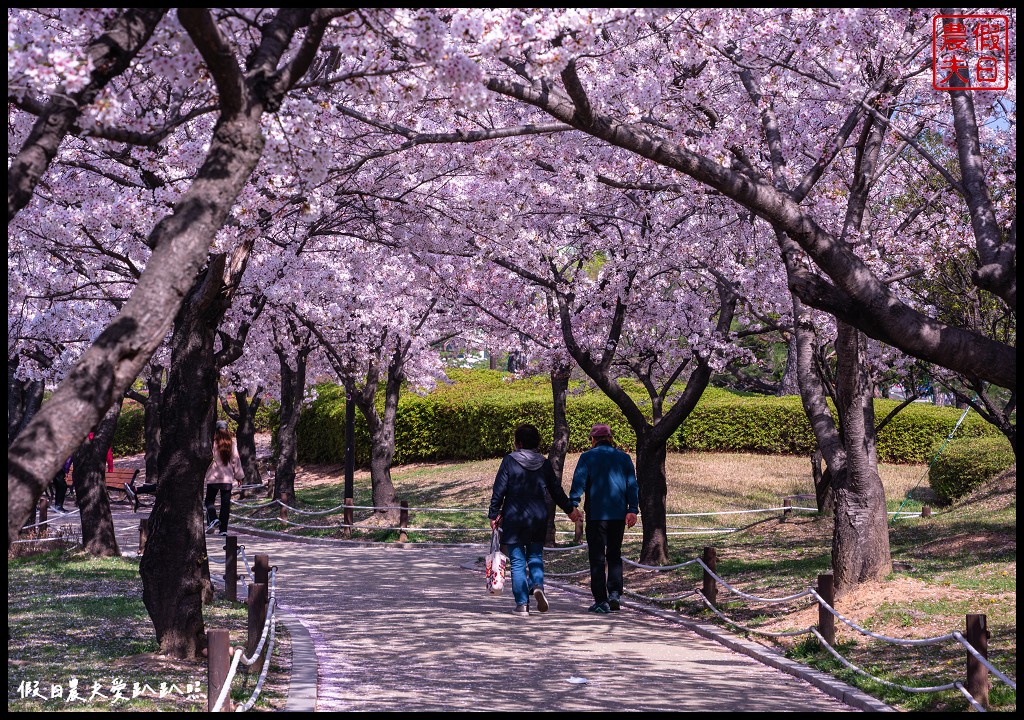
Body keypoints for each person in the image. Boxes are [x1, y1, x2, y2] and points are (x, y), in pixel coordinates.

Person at [488, 423, 582, 616]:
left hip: (514, 516)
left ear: (518, 442)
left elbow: (499, 490)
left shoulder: (509, 461)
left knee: (517, 561)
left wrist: (493, 513)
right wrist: (569, 509)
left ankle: (522, 604)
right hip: (539, 516)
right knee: (535, 556)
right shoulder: (544, 463)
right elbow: (556, 490)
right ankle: (537, 585)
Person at [569, 423, 639, 614]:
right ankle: (615, 593)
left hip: (596, 516)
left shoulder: (587, 457)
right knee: (615, 555)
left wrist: (573, 505)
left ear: (593, 440)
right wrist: (633, 509)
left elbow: (579, 482)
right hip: (618, 515)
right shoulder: (624, 458)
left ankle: (601, 601)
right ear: (611, 438)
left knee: (597, 558)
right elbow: (632, 485)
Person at [205, 420, 244, 535]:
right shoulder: (232, 444)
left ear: (215, 430)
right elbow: (236, 461)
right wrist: (239, 476)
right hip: (227, 478)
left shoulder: (212, 443)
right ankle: (223, 530)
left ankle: (213, 519)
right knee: (225, 504)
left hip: (213, 477)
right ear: (227, 430)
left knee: (209, 501)